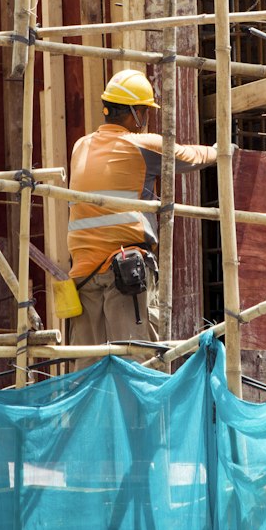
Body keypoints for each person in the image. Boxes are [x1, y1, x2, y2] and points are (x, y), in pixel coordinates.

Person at [67, 69, 217, 353]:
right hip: (124, 272)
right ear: (135, 112)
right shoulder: (142, 145)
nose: (146, 118)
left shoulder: (80, 146)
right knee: (138, 361)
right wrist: (222, 150)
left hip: (82, 274)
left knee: (88, 365)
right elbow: (191, 157)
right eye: (145, 111)